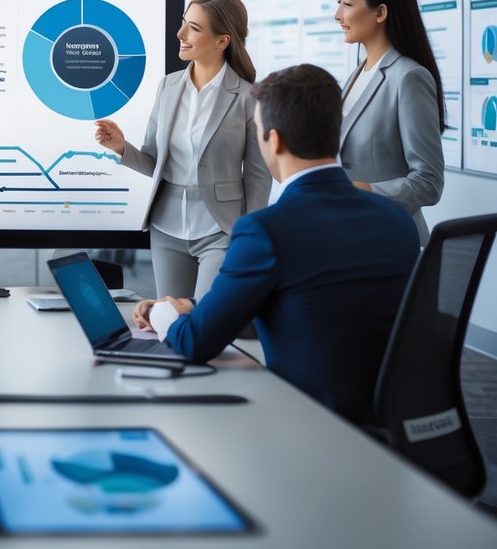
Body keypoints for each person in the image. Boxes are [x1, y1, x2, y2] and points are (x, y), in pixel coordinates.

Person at [132, 64, 419, 426]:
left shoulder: (265, 230)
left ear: (275, 139)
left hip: (308, 426)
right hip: (392, 427)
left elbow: (194, 344)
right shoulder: (397, 221)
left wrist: (163, 314)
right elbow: (309, 301)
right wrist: (189, 304)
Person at [94, 0, 271, 301]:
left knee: (207, 318)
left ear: (222, 41)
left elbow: (258, 175)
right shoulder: (169, 86)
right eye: (183, 23)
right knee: (170, 322)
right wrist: (122, 148)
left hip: (222, 229)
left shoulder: (248, 97)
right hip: (167, 228)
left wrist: (251, 235)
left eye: (194, 28)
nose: (180, 34)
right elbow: (154, 162)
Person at [336, 0, 445, 244]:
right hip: (351, 234)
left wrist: (362, 190)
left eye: (347, 4)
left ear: (380, 12)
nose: (338, 15)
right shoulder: (356, 75)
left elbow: (428, 182)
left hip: (390, 239)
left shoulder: (409, 76)